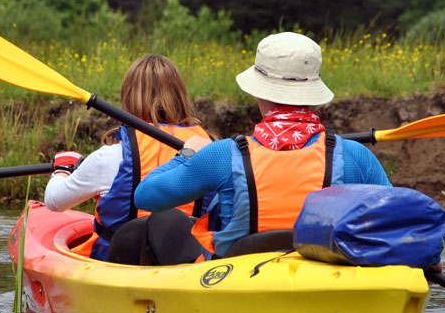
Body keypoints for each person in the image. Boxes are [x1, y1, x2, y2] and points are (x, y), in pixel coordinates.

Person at [127, 31, 391, 262]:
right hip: (325, 286)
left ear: (259, 93)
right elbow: (398, 221)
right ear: (313, 94)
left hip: (237, 286)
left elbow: (146, 196)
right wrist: (433, 264)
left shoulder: (222, 156)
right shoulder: (356, 157)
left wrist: (188, 153)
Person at [43, 54, 211, 262]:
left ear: (128, 97)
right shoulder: (211, 153)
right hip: (188, 267)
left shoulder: (110, 157)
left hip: (120, 268)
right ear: (180, 96)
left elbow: (53, 202)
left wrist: (62, 170)